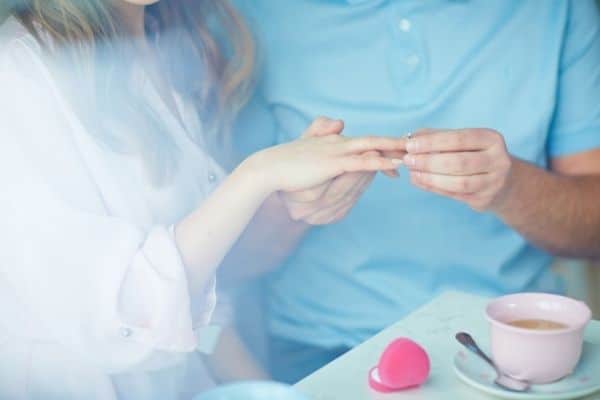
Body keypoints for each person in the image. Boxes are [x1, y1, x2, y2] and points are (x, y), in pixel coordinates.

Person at [0, 1, 406, 399]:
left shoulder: (159, 46)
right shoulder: (17, 77)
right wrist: (259, 176)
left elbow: (202, 316)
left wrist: (275, 391)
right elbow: (126, 312)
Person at [231, 0, 600, 383]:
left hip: (512, 342)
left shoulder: (557, 9)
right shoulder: (247, 15)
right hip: (321, 347)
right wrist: (296, 208)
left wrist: (511, 188)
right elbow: (212, 268)